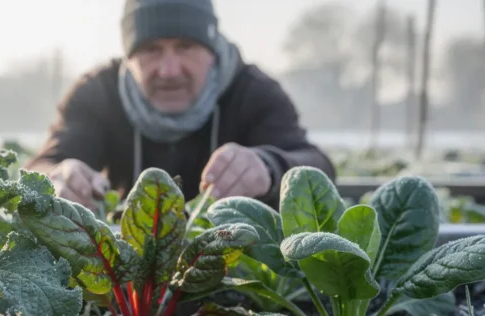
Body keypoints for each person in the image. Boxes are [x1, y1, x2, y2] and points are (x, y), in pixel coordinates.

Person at [24, 0, 336, 210]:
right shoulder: (96, 94)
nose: (169, 70)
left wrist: (269, 166)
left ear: (212, 49)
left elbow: (317, 166)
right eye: (151, 49)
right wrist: (58, 177)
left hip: (233, 275)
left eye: (185, 47)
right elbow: (42, 168)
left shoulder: (253, 92)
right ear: (129, 57)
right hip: (125, 279)